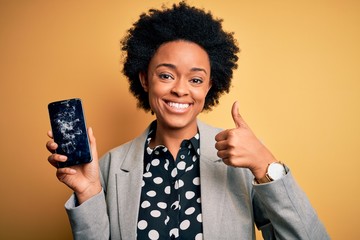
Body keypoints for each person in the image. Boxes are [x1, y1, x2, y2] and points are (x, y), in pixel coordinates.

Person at [46, 2, 329, 239]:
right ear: (145, 79)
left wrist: (264, 164)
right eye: (166, 75)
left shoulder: (245, 160)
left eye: (195, 79)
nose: (180, 89)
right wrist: (89, 193)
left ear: (209, 87)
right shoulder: (109, 167)